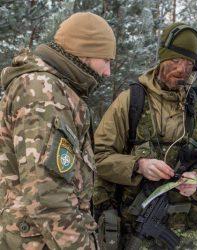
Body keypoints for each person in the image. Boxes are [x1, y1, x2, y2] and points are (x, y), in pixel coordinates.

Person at [93, 22, 197, 249]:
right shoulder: (131, 101)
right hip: (136, 230)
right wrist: (138, 165)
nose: (182, 69)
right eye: (175, 60)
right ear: (161, 59)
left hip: (188, 234)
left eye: (189, 63)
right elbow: (99, 157)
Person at [0, 12, 116, 249]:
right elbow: (48, 197)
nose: (108, 72)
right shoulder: (44, 95)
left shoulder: (55, 90)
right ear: (84, 52)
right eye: (105, 60)